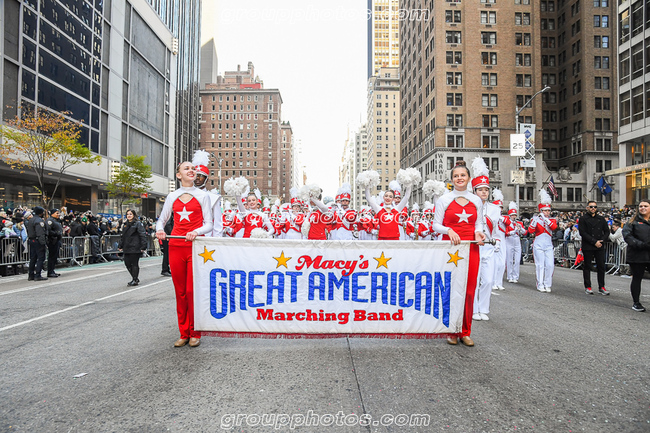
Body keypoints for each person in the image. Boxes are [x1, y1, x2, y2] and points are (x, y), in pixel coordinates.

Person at [156, 162, 213, 348]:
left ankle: (195, 332)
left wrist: (196, 231)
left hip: (195, 247)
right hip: (176, 246)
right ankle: (184, 332)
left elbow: (209, 224)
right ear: (179, 175)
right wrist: (159, 230)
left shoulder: (203, 195)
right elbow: (162, 220)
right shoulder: (172, 196)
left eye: (193, 169)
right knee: (180, 292)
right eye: (186, 168)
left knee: (191, 291)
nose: (191, 171)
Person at [432, 161, 485, 346]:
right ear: (451, 179)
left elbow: (479, 223)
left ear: (469, 178)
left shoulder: (476, 200)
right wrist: (448, 230)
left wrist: (479, 232)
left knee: (469, 290)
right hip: (450, 249)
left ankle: (465, 331)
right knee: (451, 288)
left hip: (471, 248)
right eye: (456, 176)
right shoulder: (444, 199)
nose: (459, 178)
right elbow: (435, 225)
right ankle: (451, 330)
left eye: (463, 175)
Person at [469, 157, 499, 322]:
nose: (484, 192)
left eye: (486, 190)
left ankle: (484, 308)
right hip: (475, 246)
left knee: (488, 280)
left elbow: (496, 230)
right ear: (474, 191)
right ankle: (474, 309)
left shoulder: (495, 209)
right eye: (480, 190)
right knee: (474, 279)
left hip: (488, 247)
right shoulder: (470, 208)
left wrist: (497, 242)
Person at [622, 200, 650, 312]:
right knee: (637, 278)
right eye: (641, 206)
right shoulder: (632, 222)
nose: (643, 208)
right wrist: (641, 245)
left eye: (646, 206)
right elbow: (627, 236)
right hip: (637, 255)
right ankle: (636, 303)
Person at [578, 201, 610, 295]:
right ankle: (588, 286)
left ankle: (601, 286)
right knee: (587, 266)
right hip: (588, 245)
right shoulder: (583, 219)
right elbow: (582, 233)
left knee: (601, 266)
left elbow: (607, 231)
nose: (593, 208)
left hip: (599, 245)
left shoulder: (601, 219)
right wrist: (594, 241)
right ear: (587, 208)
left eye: (595, 207)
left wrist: (602, 240)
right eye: (591, 207)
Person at [528, 190, 558, 292]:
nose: (547, 212)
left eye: (548, 210)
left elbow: (554, 227)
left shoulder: (551, 220)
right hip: (538, 244)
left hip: (548, 245)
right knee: (540, 265)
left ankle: (547, 283)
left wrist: (545, 219)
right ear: (541, 211)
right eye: (545, 211)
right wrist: (535, 221)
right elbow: (530, 230)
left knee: (550, 265)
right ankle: (540, 283)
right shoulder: (536, 219)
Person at [119, 209, 147, 286]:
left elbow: (142, 235)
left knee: (134, 263)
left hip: (135, 246)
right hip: (126, 246)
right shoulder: (125, 224)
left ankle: (135, 279)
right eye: (128, 214)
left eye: (130, 214)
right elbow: (123, 236)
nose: (129, 215)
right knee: (127, 263)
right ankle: (135, 277)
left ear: (134, 215)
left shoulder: (138, 224)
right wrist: (120, 245)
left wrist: (143, 246)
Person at [505, 202, 525, 283]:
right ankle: (509, 276)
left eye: (515, 215)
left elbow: (524, 232)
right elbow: (506, 233)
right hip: (509, 240)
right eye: (512, 215)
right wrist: (513, 231)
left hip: (517, 240)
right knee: (509, 260)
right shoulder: (507, 223)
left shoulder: (519, 223)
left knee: (517, 260)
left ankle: (515, 276)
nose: (514, 217)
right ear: (509, 216)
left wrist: (521, 229)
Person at [26, 206, 48, 281]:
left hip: (31, 240)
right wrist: (43, 243)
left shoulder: (31, 220)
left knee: (33, 258)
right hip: (38, 240)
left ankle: (31, 274)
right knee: (41, 258)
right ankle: (38, 274)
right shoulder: (39, 221)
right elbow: (40, 233)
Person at [46, 209, 63, 278]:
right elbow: (48, 230)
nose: (58, 214)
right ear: (52, 213)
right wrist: (56, 234)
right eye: (57, 213)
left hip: (57, 240)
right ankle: (50, 271)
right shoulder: (50, 221)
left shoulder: (56, 221)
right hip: (52, 240)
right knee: (52, 256)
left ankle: (52, 270)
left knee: (54, 257)